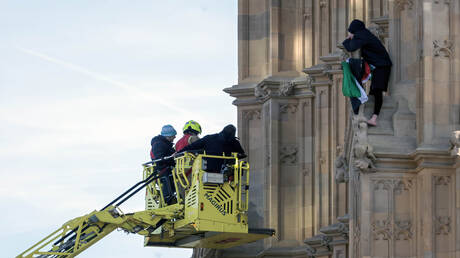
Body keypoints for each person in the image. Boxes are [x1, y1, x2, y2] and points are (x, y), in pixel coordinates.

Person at [342, 19, 392, 126]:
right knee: (373, 91)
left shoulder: (362, 36)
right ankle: (371, 115)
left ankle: (374, 118)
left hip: (382, 65)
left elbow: (351, 47)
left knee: (377, 91)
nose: (350, 33)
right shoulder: (364, 34)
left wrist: (347, 39)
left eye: (350, 31)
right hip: (380, 65)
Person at [180, 124, 246, 173]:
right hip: (223, 171)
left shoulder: (209, 138)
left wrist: (178, 152)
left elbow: (192, 146)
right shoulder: (234, 142)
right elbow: (242, 153)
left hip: (206, 170)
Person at [150, 124, 177, 204]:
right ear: (168, 136)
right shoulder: (159, 144)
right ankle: (168, 200)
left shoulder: (163, 144)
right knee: (167, 192)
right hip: (163, 171)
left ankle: (169, 199)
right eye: (173, 135)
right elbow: (159, 158)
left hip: (165, 171)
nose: (175, 137)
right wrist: (171, 157)